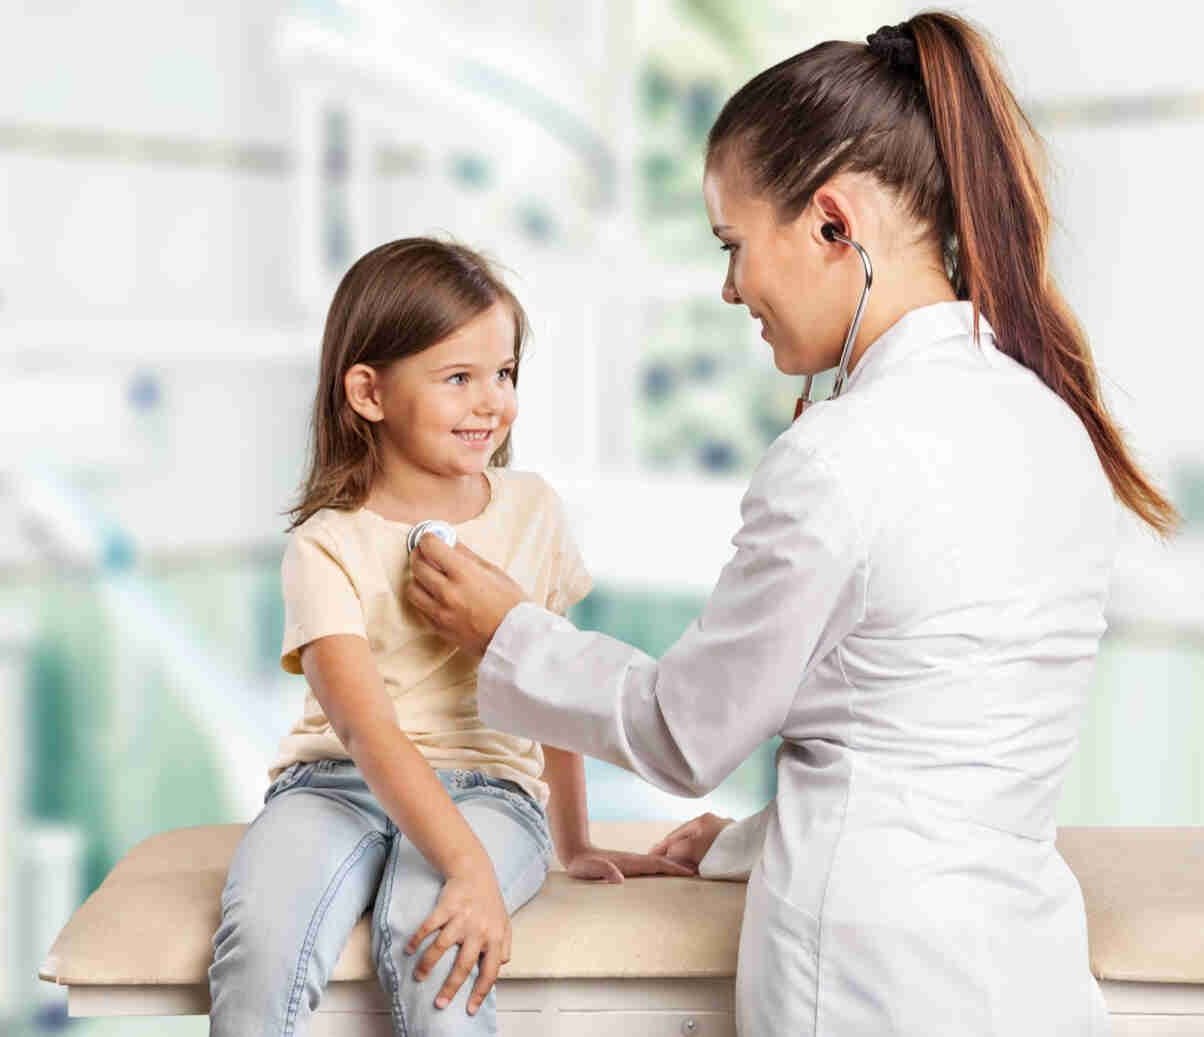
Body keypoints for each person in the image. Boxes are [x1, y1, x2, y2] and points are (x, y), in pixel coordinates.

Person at [405, 14, 1177, 1036]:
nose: (730, 289)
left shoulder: (843, 456)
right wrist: (743, 842)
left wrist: (507, 630)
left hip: (863, 979)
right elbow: (930, 743)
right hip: (1023, 975)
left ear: (831, 223)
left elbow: (687, 729)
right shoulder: (1050, 426)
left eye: (733, 246)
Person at [206, 237, 691, 1037]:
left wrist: (572, 840)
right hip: (334, 785)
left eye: (504, 373)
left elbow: (551, 680)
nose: (492, 402)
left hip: (490, 791)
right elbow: (367, 730)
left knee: (430, 936)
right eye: (459, 377)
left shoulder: (532, 510)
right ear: (368, 392)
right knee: (260, 943)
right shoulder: (327, 545)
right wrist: (464, 860)